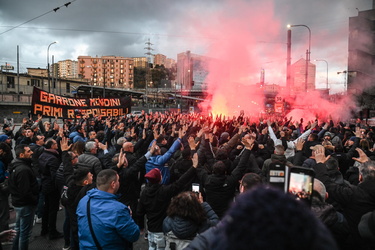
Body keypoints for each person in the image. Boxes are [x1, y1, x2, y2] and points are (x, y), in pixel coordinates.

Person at [186, 186, 338, 250]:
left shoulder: (223, 238)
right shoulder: (321, 232)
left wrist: (229, 223)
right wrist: (306, 219)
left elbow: (204, 242)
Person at [313, 147, 375, 250]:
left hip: (357, 242)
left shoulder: (352, 194)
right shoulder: (353, 192)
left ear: (360, 177)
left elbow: (326, 184)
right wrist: (368, 163)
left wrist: (320, 163)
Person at [137, 153, 199, 250]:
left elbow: (140, 212)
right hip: (161, 231)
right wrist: (194, 167)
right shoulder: (164, 191)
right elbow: (180, 182)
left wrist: (141, 227)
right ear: (159, 178)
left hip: (150, 231)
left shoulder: (144, 193)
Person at [77, 169, 139, 249]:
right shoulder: (118, 209)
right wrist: (128, 216)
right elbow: (133, 235)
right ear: (113, 184)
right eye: (118, 181)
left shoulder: (83, 201)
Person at [8, 144, 39, 250]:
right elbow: (25, 191)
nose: (31, 153)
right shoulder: (23, 170)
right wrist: (35, 200)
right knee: (25, 233)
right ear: (21, 154)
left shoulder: (16, 165)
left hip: (18, 203)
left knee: (18, 229)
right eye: (28, 151)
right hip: (25, 204)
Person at [38, 138, 63, 240]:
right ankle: (52, 231)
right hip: (52, 187)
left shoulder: (43, 155)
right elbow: (55, 176)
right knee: (53, 209)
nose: (57, 145)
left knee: (46, 208)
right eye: (56, 144)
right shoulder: (53, 158)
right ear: (52, 146)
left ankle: (44, 229)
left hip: (45, 184)